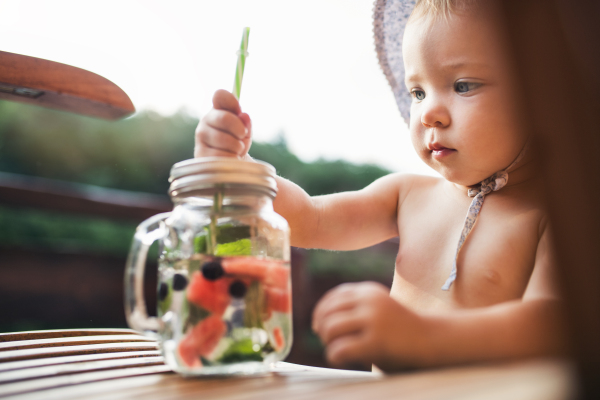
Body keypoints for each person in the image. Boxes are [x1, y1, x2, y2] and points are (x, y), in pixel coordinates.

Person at [194, 0, 567, 371]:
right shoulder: (406, 195)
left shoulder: (559, 218)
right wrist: (239, 172)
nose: (428, 113)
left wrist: (423, 336)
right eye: (418, 92)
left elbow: (553, 326)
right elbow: (311, 218)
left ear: (541, 96)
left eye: (462, 85)